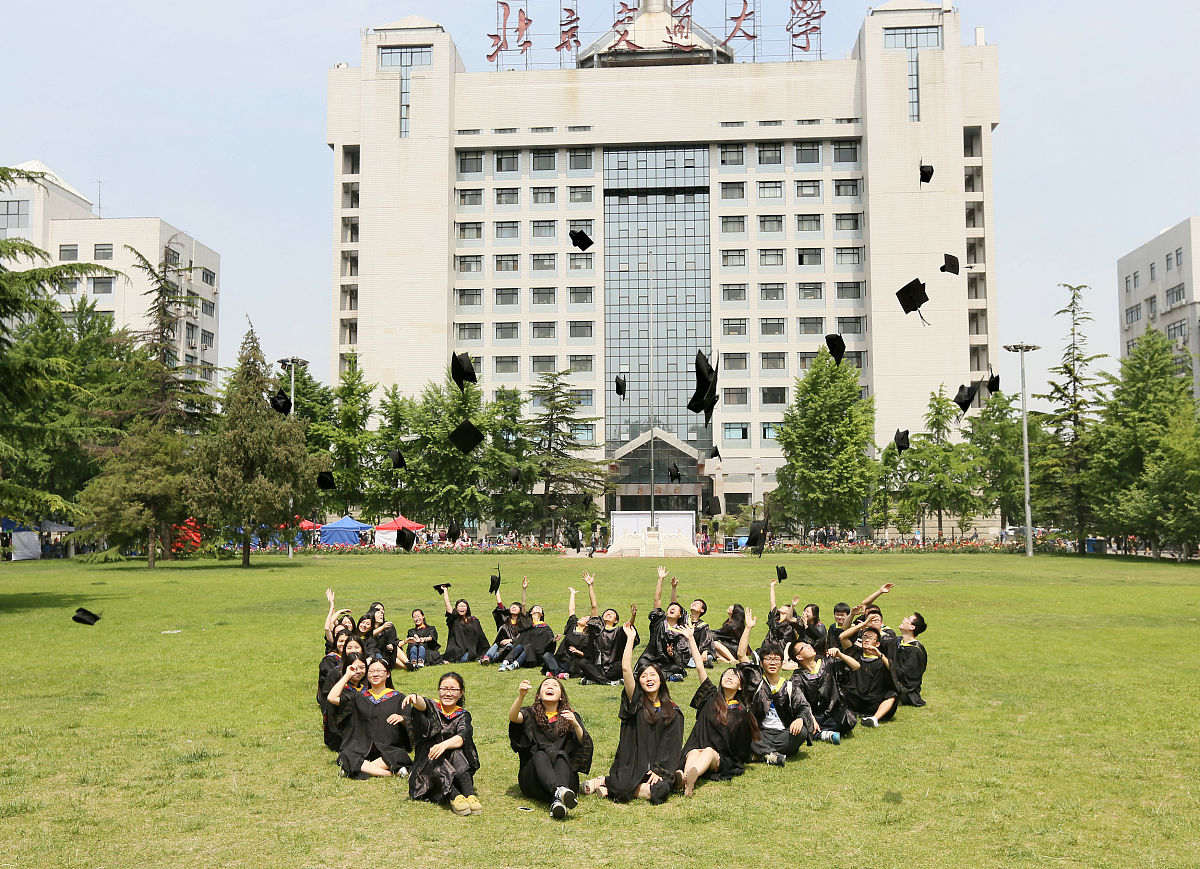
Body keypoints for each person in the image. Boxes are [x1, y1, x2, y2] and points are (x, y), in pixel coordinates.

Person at [582, 617, 683, 804]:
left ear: (661, 680)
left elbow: (673, 743)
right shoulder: (636, 701)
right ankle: (610, 784)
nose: (649, 678)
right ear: (640, 682)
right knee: (623, 785)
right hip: (634, 763)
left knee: (659, 790)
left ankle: (607, 786)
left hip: (657, 766)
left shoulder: (673, 709)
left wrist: (660, 770)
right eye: (644, 676)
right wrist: (630, 639)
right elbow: (626, 670)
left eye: (653, 675)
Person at [675, 624, 761, 795]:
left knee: (708, 751)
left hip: (722, 759)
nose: (729, 677)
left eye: (734, 676)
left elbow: (741, 745)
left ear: (741, 686)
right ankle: (686, 780)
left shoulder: (742, 710)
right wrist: (691, 638)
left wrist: (748, 628)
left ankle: (689, 776)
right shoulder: (711, 696)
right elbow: (700, 666)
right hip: (697, 751)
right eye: (726, 675)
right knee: (693, 752)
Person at [738, 611, 828, 766]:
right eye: (768, 659)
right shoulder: (756, 681)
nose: (772, 663)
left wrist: (800, 719)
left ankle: (761, 754)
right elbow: (741, 655)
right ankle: (770, 754)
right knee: (743, 729)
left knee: (802, 732)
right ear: (761, 663)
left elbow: (804, 707)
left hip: (784, 733)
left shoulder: (789, 686)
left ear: (782, 663)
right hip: (761, 732)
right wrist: (748, 628)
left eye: (776, 659)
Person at [508, 677, 593, 819]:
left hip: (565, 777)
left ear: (561, 697)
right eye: (546, 685)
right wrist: (521, 696)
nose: (550, 687)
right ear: (539, 695)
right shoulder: (530, 713)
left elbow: (583, 742)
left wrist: (575, 724)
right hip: (534, 779)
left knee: (560, 755)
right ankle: (559, 793)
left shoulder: (569, 716)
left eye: (555, 685)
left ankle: (557, 800)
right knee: (540, 755)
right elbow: (513, 717)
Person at [403, 673, 482, 815]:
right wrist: (415, 698)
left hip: (455, 767)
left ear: (461, 693)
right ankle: (455, 796)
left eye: (453, 689)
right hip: (426, 769)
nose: (448, 693)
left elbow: (463, 736)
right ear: (439, 690)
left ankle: (469, 794)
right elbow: (423, 704)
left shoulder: (463, 715)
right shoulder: (433, 707)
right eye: (444, 688)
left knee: (456, 751)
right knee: (433, 754)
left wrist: (443, 745)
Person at [328, 658, 411, 778]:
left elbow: (411, 721)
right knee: (345, 755)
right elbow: (332, 697)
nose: (375, 674)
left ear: (388, 673)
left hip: (387, 748)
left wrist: (402, 718)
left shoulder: (398, 697)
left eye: (379, 671)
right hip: (361, 747)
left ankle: (354, 768)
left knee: (399, 755)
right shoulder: (358, 697)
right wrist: (347, 675)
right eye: (371, 671)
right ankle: (388, 773)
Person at [578, 572, 639, 685]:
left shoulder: (619, 631)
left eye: (612, 613)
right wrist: (590, 585)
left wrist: (633, 616)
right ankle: (607, 682)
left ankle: (594, 680)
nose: (608, 614)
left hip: (613, 668)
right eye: (606, 613)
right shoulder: (597, 628)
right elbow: (594, 606)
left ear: (616, 620)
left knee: (624, 664)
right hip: (598, 667)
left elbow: (629, 628)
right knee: (583, 663)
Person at [837, 620, 898, 727]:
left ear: (878, 643)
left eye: (870, 638)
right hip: (855, 699)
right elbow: (842, 637)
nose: (866, 640)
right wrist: (862, 625)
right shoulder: (855, 654)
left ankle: (874, 719)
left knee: (892, 695)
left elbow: (893, 670)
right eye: (864, 637)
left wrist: (879, 654)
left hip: (874, 701)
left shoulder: (882, 660)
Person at [792, 640, 858, 736]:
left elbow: (856, 666)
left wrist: (840, 655)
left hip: (834, 712)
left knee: (847, 719)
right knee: (802, 723)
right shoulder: (797, 677)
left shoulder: (828, 663)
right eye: (804, 647)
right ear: (799, 657)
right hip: (815, 714)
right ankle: (822, 734)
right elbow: (801, 701)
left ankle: (819, 733)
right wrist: (811, 718)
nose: (809, 646)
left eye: (808, 644)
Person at [637, 566, 688, 681]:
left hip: (667, 662)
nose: (672, 608)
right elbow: (657, 600)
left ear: (680, 615)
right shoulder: (659, 621)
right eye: (671, 607)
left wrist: (672, 654)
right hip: (651, 658)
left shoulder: (680, 631)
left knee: (676, 667)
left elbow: (682, 657)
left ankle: (665, 675)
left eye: (675, 608)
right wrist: (660, 579)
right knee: (642, 663)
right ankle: (667, 676)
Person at [555, 582, 601, 682]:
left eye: (585, 617)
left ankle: (557, 672)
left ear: (588, 624)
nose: (582, 617)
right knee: (548, 657)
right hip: (563, 657)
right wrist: (572, 594)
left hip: (575, 661)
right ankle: (558, 672)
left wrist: (590, 586)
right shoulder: (573, 625)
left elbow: (594, 608)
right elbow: (571, 610)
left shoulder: (589, 635)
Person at [884, 612, 929, 706]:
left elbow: (906, 676)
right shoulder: (898, 641)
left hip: (906, 691)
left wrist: (887, 664)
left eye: (908, 618)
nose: (904, 618)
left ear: (912, 627)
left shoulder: (916, 650)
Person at [481, 581, 526, 666]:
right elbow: (500, 605)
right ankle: (486, 658)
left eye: (516, 606)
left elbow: (522, 637)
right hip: (500, 644)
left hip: (513, 646)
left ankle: (489, 660)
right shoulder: (505, 619)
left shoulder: (523, 622)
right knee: (496, 644)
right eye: (512, 605)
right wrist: (497, 588)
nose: (513, 607)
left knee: (508, 645)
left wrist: (511, 640)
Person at [440, 586, 489, 663]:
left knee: (472, 654)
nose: (462, 608)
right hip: (457, 649)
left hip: (471, 649)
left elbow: (480, 635)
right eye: (460, 606)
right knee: (460, 656)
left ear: (467, 608)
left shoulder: (474, 620)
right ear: (456, 608)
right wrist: (445, 591)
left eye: (464, 606)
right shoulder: (454, 620)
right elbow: (448, 605)